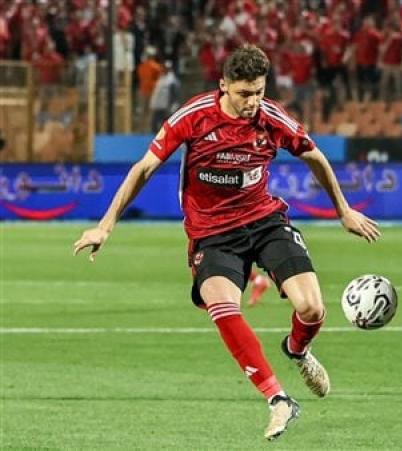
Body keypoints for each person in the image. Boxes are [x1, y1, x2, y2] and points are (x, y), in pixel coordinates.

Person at [73, 45, 380, 441]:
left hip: (265, 221)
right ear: (223, 86)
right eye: (244, 93)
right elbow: (145, 167)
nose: (252, 102)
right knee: (222, 305)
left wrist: (343, 211)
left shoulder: (272, 118)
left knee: (312, 307)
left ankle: (297, 349)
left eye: (259, 92)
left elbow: (315, 157)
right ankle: (279, 400)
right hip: (212, 233)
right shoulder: (194, 116)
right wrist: (105, 226)